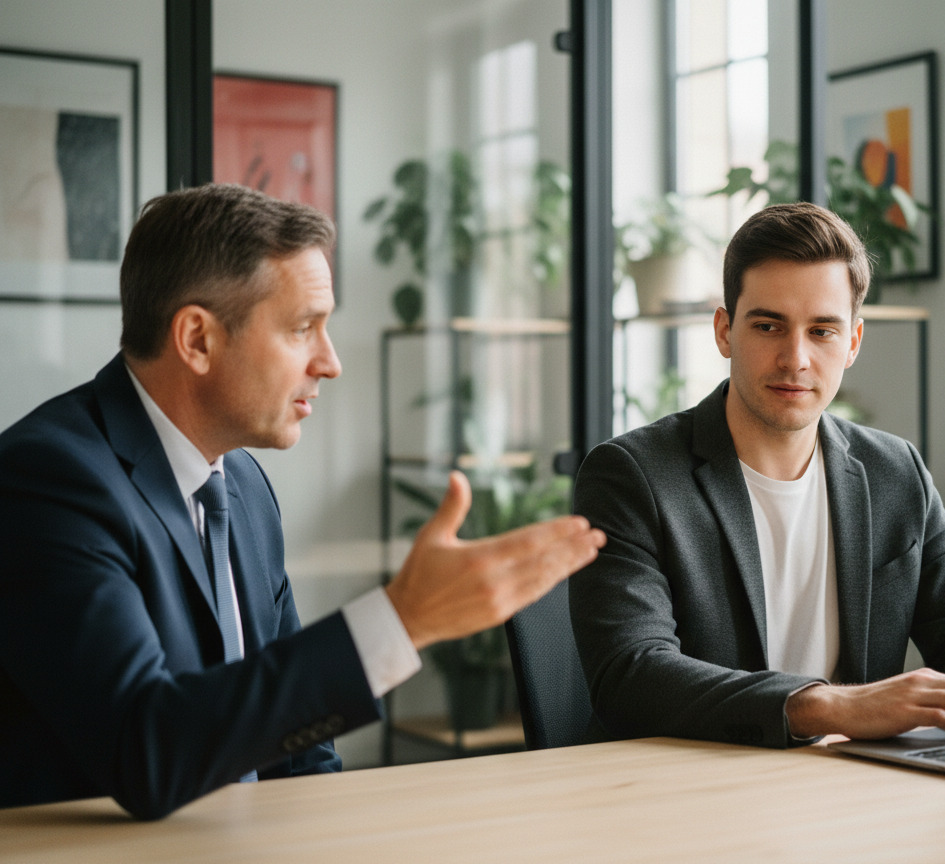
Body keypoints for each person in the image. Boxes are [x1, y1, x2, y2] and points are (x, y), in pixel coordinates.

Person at [0, 184, 605, 819]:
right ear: (197, 340)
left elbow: (300, 751)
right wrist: (403, 620)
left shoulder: (244, 486)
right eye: (302, 328)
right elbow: (146, 749)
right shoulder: (46, 482)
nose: (331, 361)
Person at [569, 202, 945, 750]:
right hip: (686, 794)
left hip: (849, 791)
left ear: (853, 342)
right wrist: (824, 705)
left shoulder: (895, 472)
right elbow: (632, 675)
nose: (795, 358)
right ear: (724, 331)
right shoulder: (632, 476)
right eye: (768, 326)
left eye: (822, 331)